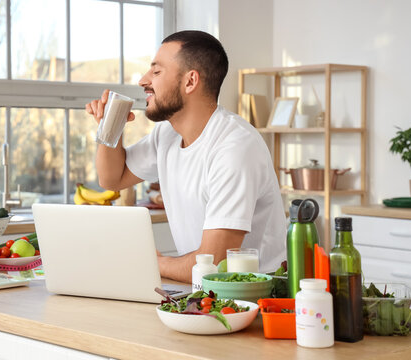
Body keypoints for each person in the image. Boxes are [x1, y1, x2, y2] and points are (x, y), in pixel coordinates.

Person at [86, 30, 286, 283]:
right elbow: (112, 178)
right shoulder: (166, 135)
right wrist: (110, 125)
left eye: (156, 72)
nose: (143, 80)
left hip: (254, 295)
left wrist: (152, 262)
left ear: (190, 81)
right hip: (202, 287)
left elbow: (215, 262)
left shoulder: (234, 146)